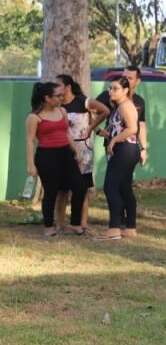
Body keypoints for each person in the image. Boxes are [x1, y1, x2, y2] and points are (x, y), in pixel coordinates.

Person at [24, 82, 86, 237]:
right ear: (47, 98)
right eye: (58, 95)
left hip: (65, 153)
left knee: (79, 187)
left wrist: (76, 151)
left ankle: (75, 223)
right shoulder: (34, 117)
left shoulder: (62, 111)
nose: (62, 97)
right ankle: (49, 226)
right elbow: (30, 141)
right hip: (46, 156)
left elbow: (66, 133)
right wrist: (31, 164)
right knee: (51, 192)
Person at [53, 74, 109, 233]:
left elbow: (104, 111)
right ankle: (60, 224)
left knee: (82, 188)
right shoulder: (57, 105)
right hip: (63, 149)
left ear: (68, 87)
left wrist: (93, 128)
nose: (56, 88)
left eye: (58, 85)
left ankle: (82, 223)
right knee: (62, 190)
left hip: (83, 150)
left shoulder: (82, 101)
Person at [96, 77, 141, 240]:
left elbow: (133, 128)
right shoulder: (119, 107)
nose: (111, 91)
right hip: (127, 149)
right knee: (124, 188)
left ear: (125, 90)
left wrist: (114, 140)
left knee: (110, 187)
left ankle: (115, 227)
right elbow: (115, 128)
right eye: (110, 88)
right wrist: (102, 132)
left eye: (115, 88)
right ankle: (130, 227)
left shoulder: (125, 106)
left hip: (125, 149)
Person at [92, 65, 149, 168]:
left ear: (137, 81)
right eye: (124, 76)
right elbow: (90, 112)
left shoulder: (139, 101)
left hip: (130, 147)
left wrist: (144, 149)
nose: (125, 79)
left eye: (130, 78)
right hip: (113, 146)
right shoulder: (109, 95)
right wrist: (97, 130)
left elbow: (141, 125)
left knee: (125, 179)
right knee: (113, 178)